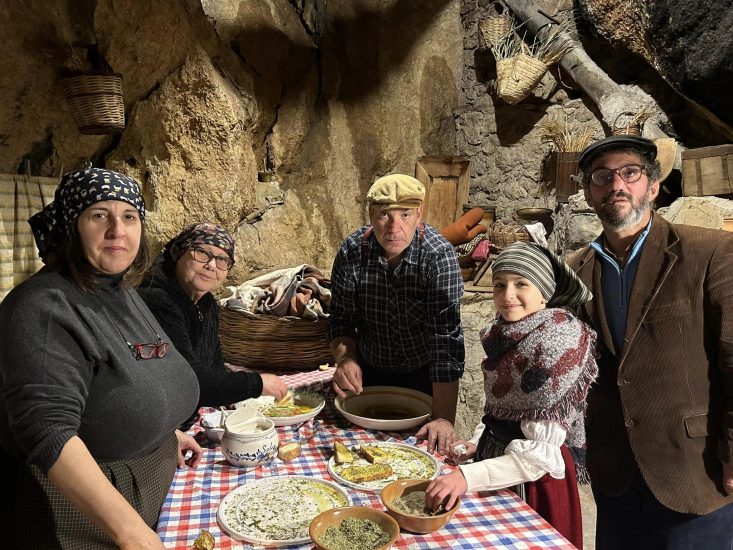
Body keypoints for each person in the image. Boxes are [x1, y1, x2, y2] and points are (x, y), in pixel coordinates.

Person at [0, 167, 202, 549]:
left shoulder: (121, 290)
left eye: (129, 216)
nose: (117, 230)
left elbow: (136, 374)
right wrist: (131, 533)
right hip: (83, 522)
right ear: (71, 226)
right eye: (98, 215)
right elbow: (48, 431)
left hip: (153, 493)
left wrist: (163, 432)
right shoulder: (43, 307)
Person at [568, 135, 733, 549]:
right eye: (601, 177)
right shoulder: (573, 271)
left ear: (654, 186)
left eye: (630, 173)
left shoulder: (710, 251)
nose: (616, 185)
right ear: (588, 194)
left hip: (694, 472)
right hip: (615, 477)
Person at [424, 242, 597, 548]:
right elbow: (500, 413)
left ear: (544, 292)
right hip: (501, 468)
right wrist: (478, 443)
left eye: (521, 284)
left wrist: (467, 477)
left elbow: (538, 457)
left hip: (535, 484)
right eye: (500, 284)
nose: (507, 295)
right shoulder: (505, 335)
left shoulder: (557, 342)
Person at [328, 174, 465, 454]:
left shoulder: (438, 257)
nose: (394, 228)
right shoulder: (352, 252)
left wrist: (442, 420)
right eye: (384, 215)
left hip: (424, 376)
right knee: (361, 452)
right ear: (370, 214)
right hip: (368, 374)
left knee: (422, 452)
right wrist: (345, 358)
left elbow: (446, 342)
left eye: (405, 214)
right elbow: (341, 321)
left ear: (419, 214)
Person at [138, 222, 288, 426]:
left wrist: (230, 392)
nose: (211, 265)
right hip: (158, 425)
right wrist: (258, 383)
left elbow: (214, 365)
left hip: (185, 417)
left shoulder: (207, 303)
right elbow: (189, 381)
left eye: (222, 260)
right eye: (202, 253)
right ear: (178, 253)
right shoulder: (157, 300)